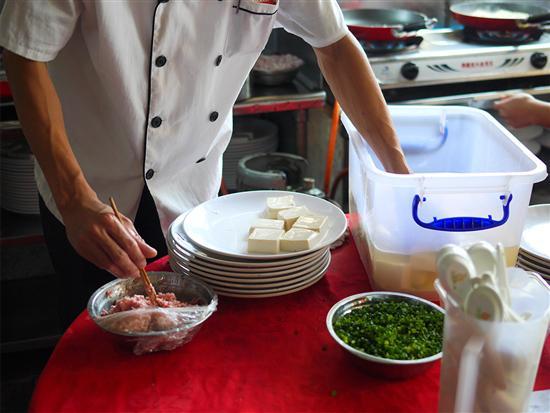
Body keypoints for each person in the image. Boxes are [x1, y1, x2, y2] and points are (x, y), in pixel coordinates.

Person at [0, 0, 410, 327]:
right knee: (94, 352)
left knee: (191, 346)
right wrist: (72, 198)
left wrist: (399, 174)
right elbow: (25, 53)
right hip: (88, 191)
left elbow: (336, 45)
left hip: (193, 194)